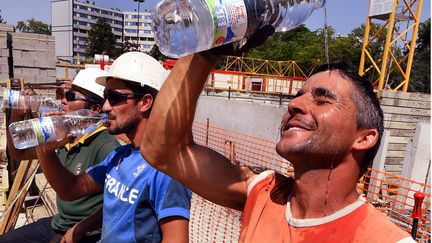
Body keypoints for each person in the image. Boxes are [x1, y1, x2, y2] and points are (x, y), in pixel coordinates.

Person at [140, 51, 415, 242]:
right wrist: (205, 53)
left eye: (322, 100)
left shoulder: (385, 239)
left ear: (364, 138)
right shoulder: (263, 193)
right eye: (298, 96)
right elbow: (162, 151)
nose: (294, 104)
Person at [34, 52, 192, 243]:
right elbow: (70, 189)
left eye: (115, 97)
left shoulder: (165, 169)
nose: (106, 106)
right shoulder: (120, 155)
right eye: (105, 97)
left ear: (145, 102)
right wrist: (45, 149)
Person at [1, 69, 120, 242]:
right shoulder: (65, 136)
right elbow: (18, 153)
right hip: (59, 223)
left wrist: (81, 228)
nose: (63, 100)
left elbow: (115, 204)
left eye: (71, 96)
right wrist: (17, 115)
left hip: (86, 232)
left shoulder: (105, 145)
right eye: (64, 94)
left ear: (94, 109)